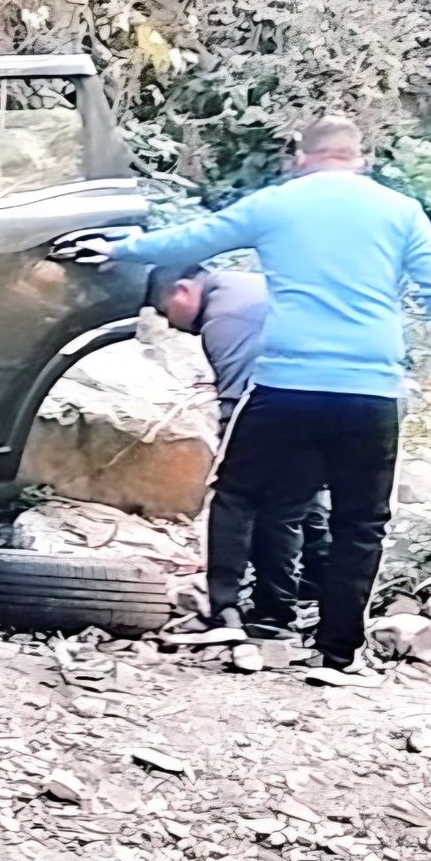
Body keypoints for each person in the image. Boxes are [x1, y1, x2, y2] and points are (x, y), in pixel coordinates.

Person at [98, 117, 431, 678]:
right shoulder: (399, 211)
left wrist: (119, 249)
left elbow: (193, 239)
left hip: (285, 384)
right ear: (360, 155)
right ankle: (335, 653)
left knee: (238, 491)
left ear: (302, 155)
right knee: (361, 521)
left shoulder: (277, 204)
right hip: (369, 390)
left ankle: (225, 610)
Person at [146, 265, 330, 636]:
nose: (170, 324)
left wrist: (226, 454)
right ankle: (292, 604)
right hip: (343, 399)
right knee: (290, 505)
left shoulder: (224, 317)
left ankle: (224, 605)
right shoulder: (249, 286)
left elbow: (236, 402)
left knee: (234, 496)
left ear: (182, 290)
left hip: (282, 401)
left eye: (165, 311)